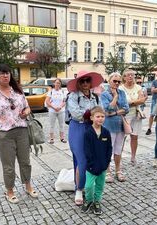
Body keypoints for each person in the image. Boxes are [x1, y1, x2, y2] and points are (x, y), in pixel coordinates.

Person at [0, 64, 38, 204]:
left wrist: (26, 111)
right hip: (4, 134)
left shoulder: (17, 91)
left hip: (22, 131)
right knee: (8, 166)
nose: (5, 75)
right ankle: (10, 190)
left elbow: (27, 107)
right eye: (2, 73)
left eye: (7, 73)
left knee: (25, 162)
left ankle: (28, 185)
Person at [66, 70, 103, 205]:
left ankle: (88, 185)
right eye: (82, 81)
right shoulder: (73, 96)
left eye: (88, 80)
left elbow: (101, 112)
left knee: (92, 158)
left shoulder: (96, 97)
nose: (86, 83)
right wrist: (91, 114)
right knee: (81, 160)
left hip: (93, 129)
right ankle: (79, 188)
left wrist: (93, 115)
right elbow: (75, 114)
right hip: (78, 129)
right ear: (79, 83)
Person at [81, 106, 112, 215]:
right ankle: (89, 200)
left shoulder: (106, 132)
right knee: (88, 186)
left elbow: (109, 148)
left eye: (102, 116)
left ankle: (97, 201)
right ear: (92, 118)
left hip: (103, 166)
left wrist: (107, 162)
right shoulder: (88, 133)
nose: (100, 119)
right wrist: (91, 164)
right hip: (91, 167)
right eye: (98, 116)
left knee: (100, 185)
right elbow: (87, 151)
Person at [101, 73, 129, 183]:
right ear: (109, 80)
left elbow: (126, 108)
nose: (117, 83)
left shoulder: (122, 92)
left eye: (119, 81)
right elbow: (107, 110)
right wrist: (115, 98)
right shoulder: (104, 94)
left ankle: (118, 170)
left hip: (120, 125)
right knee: (108, 149)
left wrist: (114, 112)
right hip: (109, 126)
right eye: (114, 81)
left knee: (118, 149)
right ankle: (107, 171)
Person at [119, 69, 147, 165]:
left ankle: (133, 156)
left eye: (132, 75)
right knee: (122, 137)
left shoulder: (138, 87)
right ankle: (119, 156)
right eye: (128, 75)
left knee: (134, 137)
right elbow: (122, 103)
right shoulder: (121, 88)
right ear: (124, 77)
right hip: (125, 115)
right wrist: (136, 102)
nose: (130, 76)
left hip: (136, 114)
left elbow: (142, 100)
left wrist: (130, 103)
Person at [45, 78, 67, 144]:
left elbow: (64, 101)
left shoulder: (62, 92)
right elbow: (47, 101)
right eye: (56, 83)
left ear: (60, 84)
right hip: (52, 111)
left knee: (62, 125)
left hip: (61, 111)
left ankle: (62, 138)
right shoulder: (51, 92)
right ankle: (51, 139)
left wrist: (60, 107)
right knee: (52, 125)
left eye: (59, 83)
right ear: (54, 83)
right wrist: (54, 107)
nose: (57, 84)